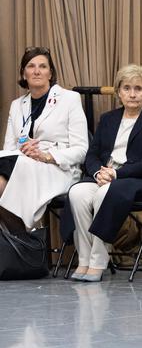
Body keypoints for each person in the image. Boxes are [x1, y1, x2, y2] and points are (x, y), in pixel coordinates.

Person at [66, 65, 142, 281]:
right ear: (118, 92)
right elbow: (92, 155)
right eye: (127, 88)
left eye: (138, 88)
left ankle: (98, 261)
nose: (132, 94)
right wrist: (98, 173)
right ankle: (84, 259)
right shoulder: (108, 119)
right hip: (104, 177)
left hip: (138, 181)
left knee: (106, 193)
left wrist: (116, 175)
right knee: (77, 193)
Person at [0, 47, 88, 230]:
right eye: (31, 66)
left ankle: (22, 237)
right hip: (22, 164)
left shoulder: (70, 99)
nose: (37, 71)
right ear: (24, 74)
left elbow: (81, 150)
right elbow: (8, 150)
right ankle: (20, 238)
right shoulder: (17, 105)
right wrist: (23, 150)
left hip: (58, 169)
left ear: (50, 73)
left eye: (42, 66)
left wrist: (46, 156)